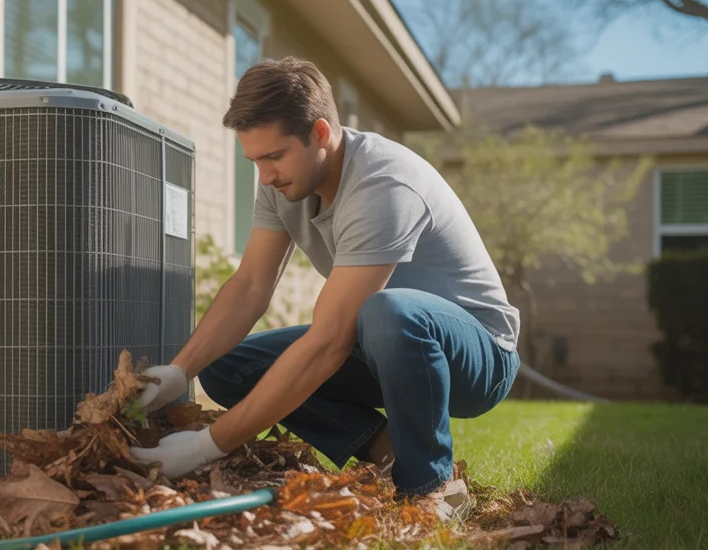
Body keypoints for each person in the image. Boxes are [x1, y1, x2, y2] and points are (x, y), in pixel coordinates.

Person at [129, 57, 521, 518]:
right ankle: (385, 446)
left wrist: (204, 447)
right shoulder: (281, 185)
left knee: (386, 312)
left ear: (320, 133)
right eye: (254, 161)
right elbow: (251, 284)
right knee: (226, 369)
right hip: (380, 341)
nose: (266, 176)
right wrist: (180, 371)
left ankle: (432, 486)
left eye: (274, 156)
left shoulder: (382, 184)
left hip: (476, 356)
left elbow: (330, 341)